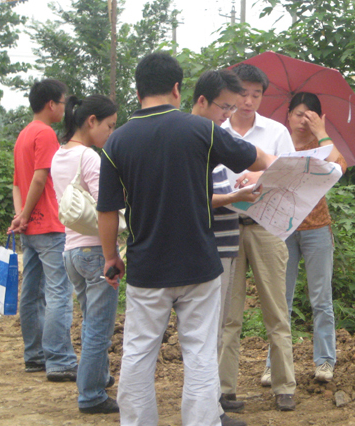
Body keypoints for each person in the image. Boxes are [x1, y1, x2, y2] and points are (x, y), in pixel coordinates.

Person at [96, 52, 275, 426]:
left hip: (147, 267)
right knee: (199, 353)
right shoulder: (202, 131)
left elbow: (107, 210)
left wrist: (111, 256)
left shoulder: (117, 142)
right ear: (177, 89)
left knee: (138, 353)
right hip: (199, 265)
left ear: (138, 91)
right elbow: (258, 161)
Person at [219, 63, 297, 412]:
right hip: (226, 225)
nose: (249, 101)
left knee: (276, 311)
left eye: (256, 94)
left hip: (266, 226)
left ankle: (284, 385)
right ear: (232, 94)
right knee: (228, 314)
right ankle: (224, 389)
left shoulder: (276, 131)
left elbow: (291, 175)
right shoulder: (217, 131)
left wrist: (259, 174)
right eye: (243, 94)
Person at [192, 69, 262, 420]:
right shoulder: (199, 140)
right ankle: (209, 409)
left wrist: (237, 192)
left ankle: (212, 403)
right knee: (208, 332)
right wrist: (236, 196)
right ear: (202, 100)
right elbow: (200, 197)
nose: (229, 114)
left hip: (224, 244)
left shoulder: (212, 140)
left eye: (232, 108)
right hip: (212, 249)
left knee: (216, 329)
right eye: (226, 107)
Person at [262, 92, 347, 383]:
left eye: (309, 115)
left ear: (319, 118)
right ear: (288, 116)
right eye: (298, 114)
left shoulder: (321, 147)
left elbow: (339, 167)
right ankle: (275, 364)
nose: (302, 120)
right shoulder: (278, 144)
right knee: (280, 299)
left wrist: (322, 132)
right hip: (282, 228)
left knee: (321, 298)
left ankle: (325, 361)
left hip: (317, 228)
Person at [50, 94, 119, 414]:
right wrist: (112, 252)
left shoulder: (60, 154)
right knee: (99, 328)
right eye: (109, 126)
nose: (110, 133)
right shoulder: (90, 157)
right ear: (91, 121)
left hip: (71, 251)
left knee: (90, 321)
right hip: (95, 251)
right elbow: (105, 207)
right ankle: (91, 394)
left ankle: (98, 377)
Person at [8, 79, 78, 382]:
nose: (64, 109)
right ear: (51, 104)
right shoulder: (45, 133)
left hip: (30, 229)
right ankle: (60, 360)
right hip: (49, 224)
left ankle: (34, 355)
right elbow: (39, 178)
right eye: (63, 103)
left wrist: (20, 216)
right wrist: (25, 214)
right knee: (59, 291)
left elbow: (16, 183)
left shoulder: (24, 134)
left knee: (32, 292)